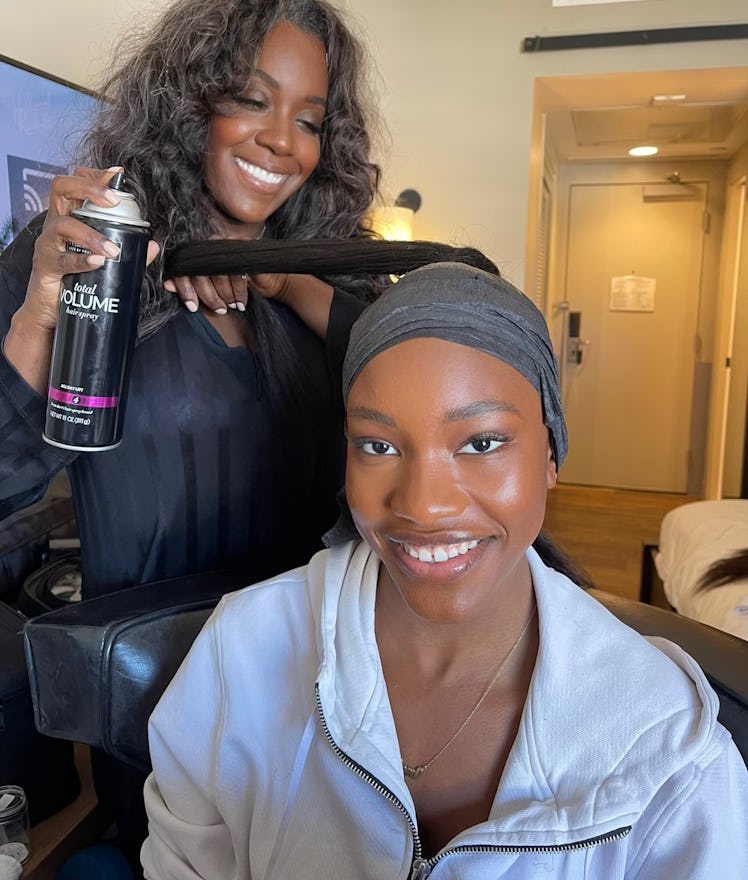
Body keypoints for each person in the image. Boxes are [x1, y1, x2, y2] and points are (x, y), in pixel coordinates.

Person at [142, 260, 748, 879]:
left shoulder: (668, 750)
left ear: (550, 456)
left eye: (481, 443)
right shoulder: (242, 650)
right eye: (378, 445)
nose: (424, 506)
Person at [0, 0, 382, 867]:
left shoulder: (321, 276)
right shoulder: (90, 259)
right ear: (188, 102)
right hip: (161, 705)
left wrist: (285, 283)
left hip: (326, 694)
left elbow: (426, 366)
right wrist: (33, 320)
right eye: (251, 99)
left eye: (311, 120)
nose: (283, 139)